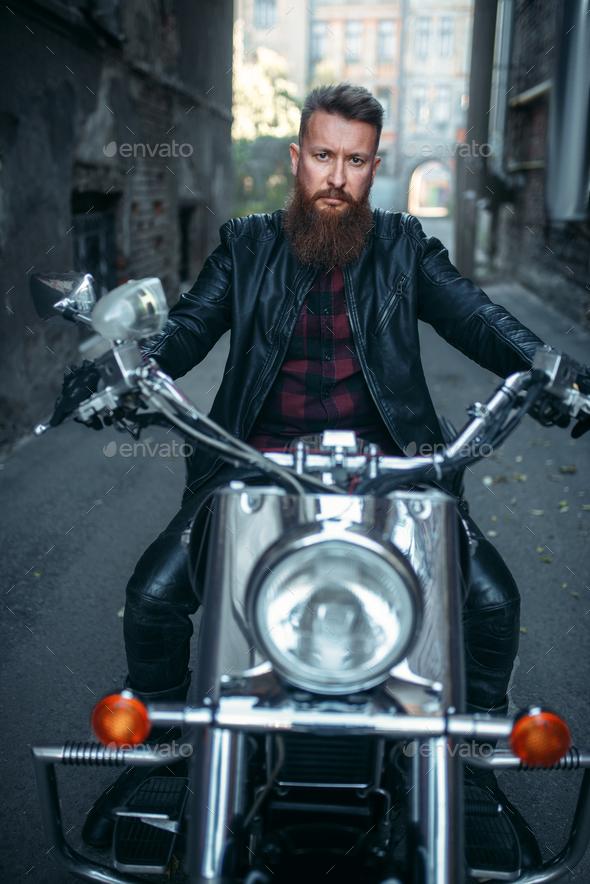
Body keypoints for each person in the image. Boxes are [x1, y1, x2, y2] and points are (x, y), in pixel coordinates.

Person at [81, 82, 548, 863]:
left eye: (356, 161)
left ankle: (469, 769)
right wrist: (128, 371)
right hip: (251, 475)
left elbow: (479, 318)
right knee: (154, 595)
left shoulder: (406, 247)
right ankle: (161, 753)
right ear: (298, 158)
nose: (337, 177)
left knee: (493, 599)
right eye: (323, 156)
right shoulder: (246, 244)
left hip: (396, 478)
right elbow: (191, 324)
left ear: (375, 166)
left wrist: (553, 371)